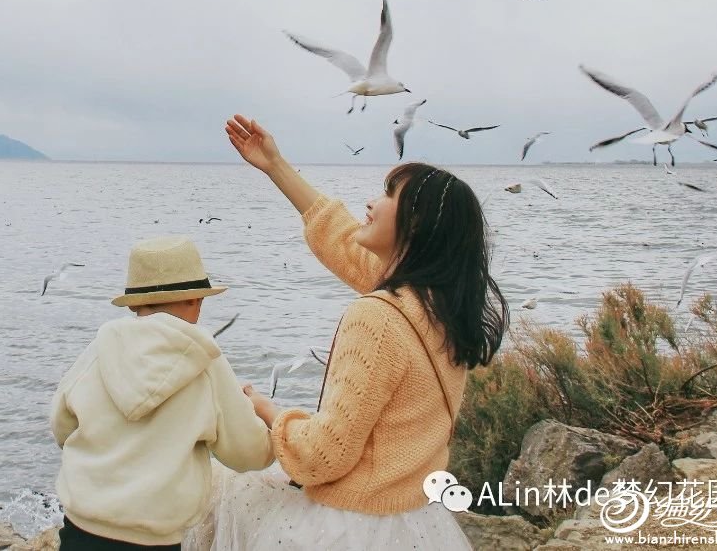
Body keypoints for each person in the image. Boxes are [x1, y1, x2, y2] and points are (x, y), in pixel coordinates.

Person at [187, 115, 509, 550]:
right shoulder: (439, 306)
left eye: (389, 194)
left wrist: (266, 410)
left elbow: (323, 456)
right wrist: (275, 165)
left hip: (352, 528)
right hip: (416, 521)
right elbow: (340, 238)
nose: (371, 203)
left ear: (416, 224)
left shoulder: (377, 317)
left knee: (217, 490)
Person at [50, 236, 275, 550]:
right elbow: (247, 452)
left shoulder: (99, 351)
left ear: (134, 304)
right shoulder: (206, 363)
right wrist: (268, 415)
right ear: (195, 301)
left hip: (80, 531)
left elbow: (62, 426)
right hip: (154, 540)